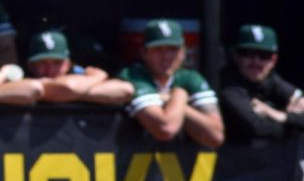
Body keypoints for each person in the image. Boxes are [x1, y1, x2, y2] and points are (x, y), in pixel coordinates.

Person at [117, 19, 225, 147]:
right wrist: (180, 97)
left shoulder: (189, 78)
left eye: (172, 49)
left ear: (183, 52)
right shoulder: (133, 76)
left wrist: (173, 101)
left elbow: (216, 136)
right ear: (144, 53)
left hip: (174, 165)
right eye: (158, 49)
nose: (166, 56)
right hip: (128, 160)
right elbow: (165, 129)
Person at [218, 24, 304, 142]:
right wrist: (295, 125)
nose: (256, 62)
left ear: (273, 60)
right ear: (236, 56)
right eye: (247, 53)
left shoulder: (270, 79)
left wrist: (278, 115)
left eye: (264, 56)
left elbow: (299, 97)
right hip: (230, 155)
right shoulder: (228, 85)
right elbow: (257, 128)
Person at [26, 29, 134, 105]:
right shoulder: (22, 81)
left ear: (68, 64)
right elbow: (68, 88)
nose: (50, 69)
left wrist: (69, 93)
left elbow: (126, 90)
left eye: (57, 62)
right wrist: (95, 77)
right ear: (30, 66)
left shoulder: (79, 78)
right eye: (42, 62)